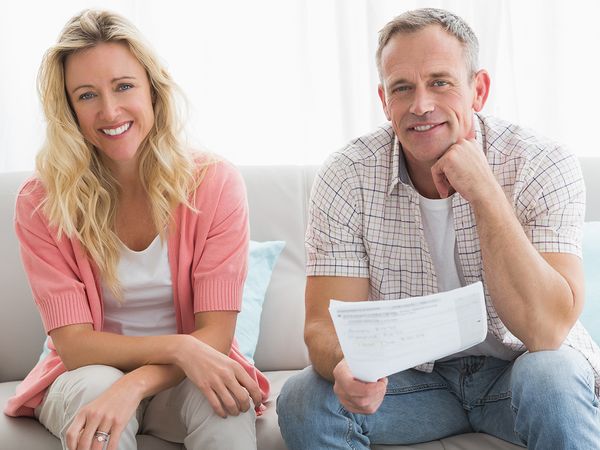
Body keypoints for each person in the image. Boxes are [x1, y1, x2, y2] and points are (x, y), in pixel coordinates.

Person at [277, 7, 600, 450]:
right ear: (383, 100)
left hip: (520, 374)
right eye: (402, 88)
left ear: (478, 90)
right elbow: (321, 327)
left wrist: (485, 192)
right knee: (303, 396)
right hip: (411, 384)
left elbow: (547, 333)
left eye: (440, 82)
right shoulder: (347, 174)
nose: (420, 105)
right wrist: (343, 366)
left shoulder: (543, 163)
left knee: (552, 375)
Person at [3, 9, 269, 450]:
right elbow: (75, 346)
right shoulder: (40, 202)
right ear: (68, 109)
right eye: (87, 95)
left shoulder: (215, 183)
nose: (109, 111)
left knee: (223, 400)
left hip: (183, 377)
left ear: (153, 89)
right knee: (95, 385)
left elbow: (215, 338)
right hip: (83, 376)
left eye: (124, 86)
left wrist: (137, 383)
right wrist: (181, 347)